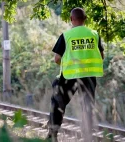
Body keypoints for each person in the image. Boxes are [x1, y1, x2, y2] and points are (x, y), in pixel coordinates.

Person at [46, 7, 104, 142]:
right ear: (85, 19)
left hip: (69, 76)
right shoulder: (94, 34)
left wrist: (69, 64)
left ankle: (52, 136)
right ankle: (88, 137)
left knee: (58, 103)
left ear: (71, 19)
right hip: (89, 76)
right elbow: (101, 55)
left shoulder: (66, 36)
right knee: (87, 106)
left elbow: (57, 58)